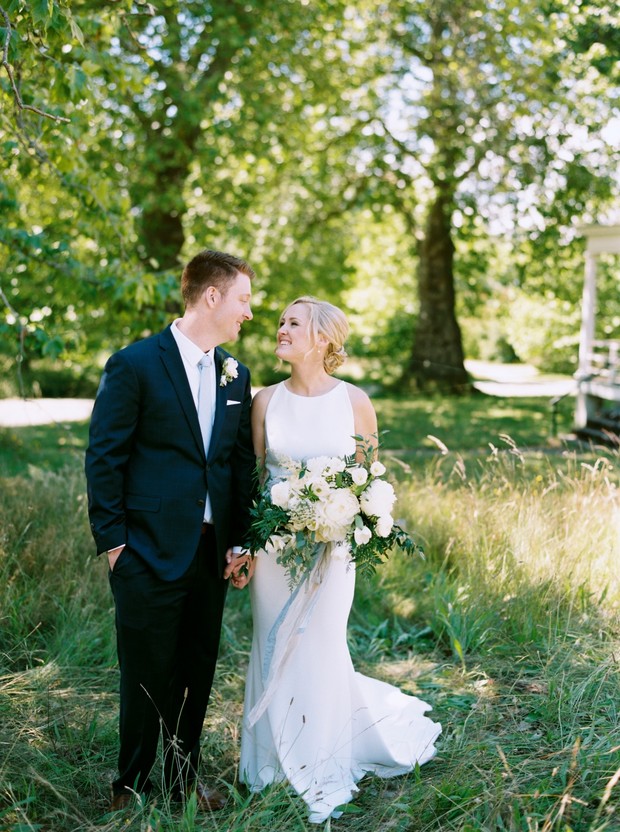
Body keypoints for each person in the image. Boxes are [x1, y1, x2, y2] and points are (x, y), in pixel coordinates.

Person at [238, 296, 441, 823]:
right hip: (276, 549)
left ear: (324, 338)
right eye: (280, 322)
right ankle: (270, 764)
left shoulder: (354, 402)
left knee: (321, 644)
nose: (280, 329)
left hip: (334, 550)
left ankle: (323, 757)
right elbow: (256, 482)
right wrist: (246, 543)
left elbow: (367, 479)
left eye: (293, 323)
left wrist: (348, 518)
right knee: (272, 643)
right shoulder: (265, 401)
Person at [85, 249, 256, 813]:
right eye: (242, 300)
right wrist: (115, 547)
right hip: (145, 553)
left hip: (210, 554)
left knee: (196, 673)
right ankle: (129, 785)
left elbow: (235, 465)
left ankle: (182, 783)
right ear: (212, 296)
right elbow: (104, 459)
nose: (248, 314)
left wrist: (240, 541)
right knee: (144, 674)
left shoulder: (237, 373)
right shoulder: (134, 364)